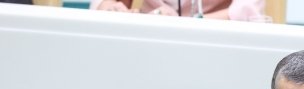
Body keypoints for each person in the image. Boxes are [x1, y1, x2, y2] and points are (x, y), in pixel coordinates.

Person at [90, 0, 264, 19]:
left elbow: (246, 8)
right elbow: (104, 3)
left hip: (215, 41)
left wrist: (187, 24)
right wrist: (109, 7)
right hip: (148, 40)